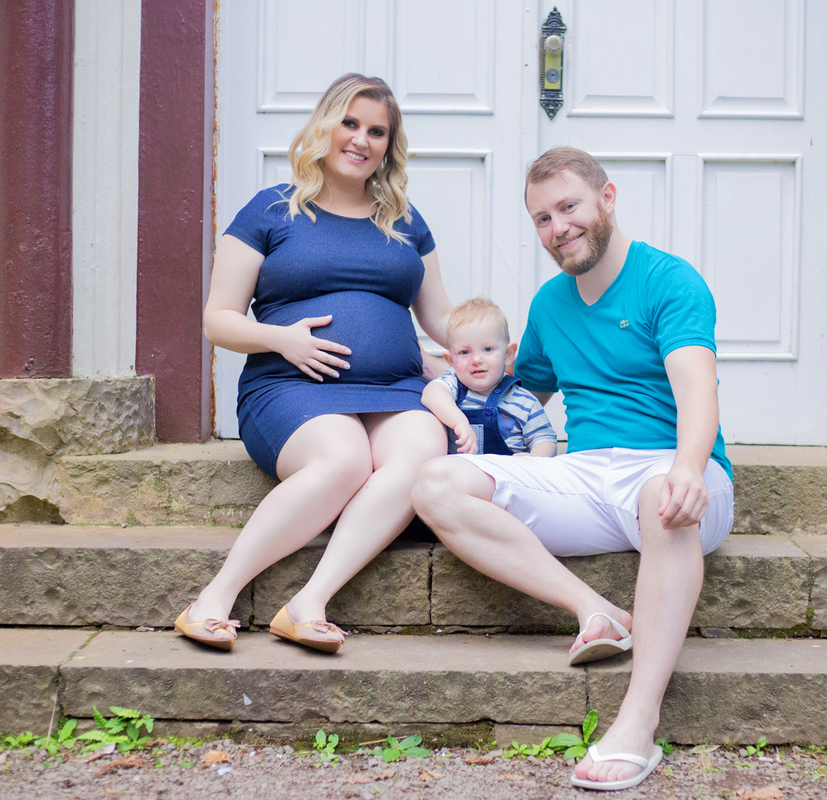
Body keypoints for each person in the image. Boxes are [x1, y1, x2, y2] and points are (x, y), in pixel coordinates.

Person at [412, 146, 734, 791]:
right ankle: (597, 609)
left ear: (606, 198)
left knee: (662, 498)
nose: (558, 228)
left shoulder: (668, 281)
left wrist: (689, 468)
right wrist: (435, 372)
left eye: (568, 207)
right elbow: (515, 391)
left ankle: (637, 722)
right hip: (586, 475)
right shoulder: (551, 304)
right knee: (434, 483)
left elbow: (698, 388)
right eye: (542, 218)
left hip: (673, 469)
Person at [175, 73, 452, 654]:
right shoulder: (271, 210)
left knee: (422, 456)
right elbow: (218, 319)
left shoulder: (404, 220)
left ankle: (308, 602)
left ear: (389, 145)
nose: (361, 140)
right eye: (350, 123)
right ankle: (214, 599)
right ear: (326, 126)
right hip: (291, 385)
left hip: (396, 389)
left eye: (377, 131)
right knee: (344, 458)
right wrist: (282, 340)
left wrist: (501, 347)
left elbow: (441, 319)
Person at [421, 297, 557, 457]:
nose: (476, 360)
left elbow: (545, 438)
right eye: (464, 352)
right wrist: (459, 422)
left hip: (509, 470)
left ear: (507, 354)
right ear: (451, 361)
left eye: (487, 349)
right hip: (461, 471)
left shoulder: (524, 402)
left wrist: (533, 459)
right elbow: (431, 393)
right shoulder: (453, 387)